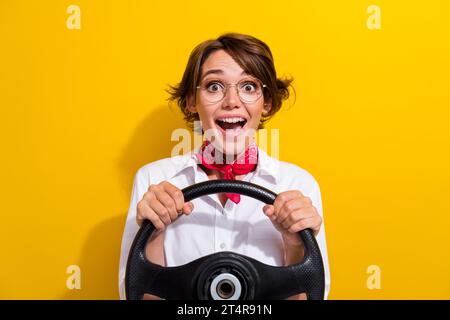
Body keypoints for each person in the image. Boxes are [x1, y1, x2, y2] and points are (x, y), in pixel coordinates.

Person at [118, 33, 330, 300]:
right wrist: (155, 234)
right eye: (214, 86)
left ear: (266, 102)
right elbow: (134, 294)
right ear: (191, 101)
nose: (231, 100)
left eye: (249, 87)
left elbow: (314, 293)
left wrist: (295, 243)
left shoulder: (298, 185)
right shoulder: (154, 179)